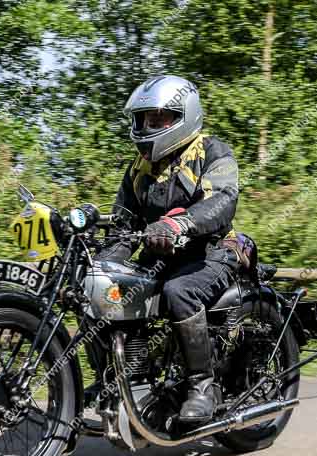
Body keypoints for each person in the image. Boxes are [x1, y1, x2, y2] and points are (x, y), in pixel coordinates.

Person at [100, 74, 242, 423]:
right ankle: (121, 380)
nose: (151, 125)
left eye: (160, 119)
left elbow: (221, 201)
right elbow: (123, 227)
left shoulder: (211, 151)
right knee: (106, 289)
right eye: (147, 119)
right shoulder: (138, 169)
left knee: (179, 292)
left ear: (184, 116)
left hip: (211, 251)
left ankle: (202, 388)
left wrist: (178, 224)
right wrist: (100, 264)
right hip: (161, 258)